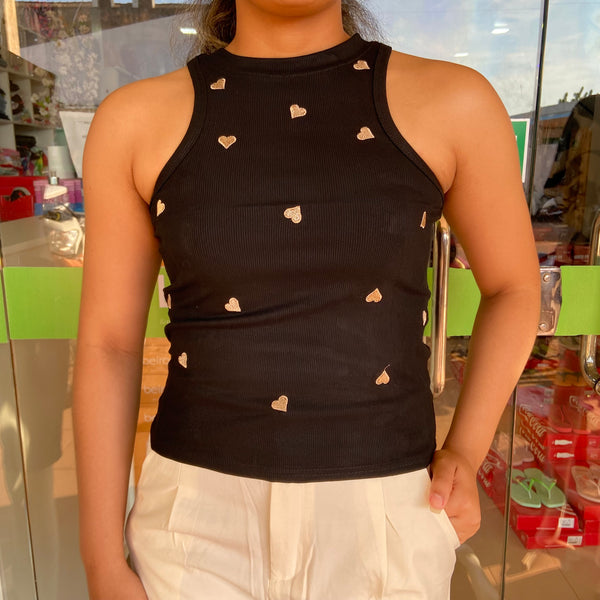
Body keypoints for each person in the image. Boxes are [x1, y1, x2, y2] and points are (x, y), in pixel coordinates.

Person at [72, 1, 541, 599]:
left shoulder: (456, 103)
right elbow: (109, 344)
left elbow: (514, 288)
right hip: (194, 519)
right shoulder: (133, 120)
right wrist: (101, 562)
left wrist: (466, 452)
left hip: (389, 511)